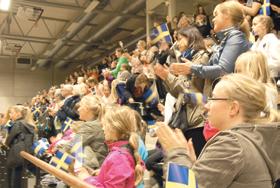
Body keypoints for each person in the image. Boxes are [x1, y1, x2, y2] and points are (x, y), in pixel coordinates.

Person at [156, 73, 280, 188]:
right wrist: (192, 165)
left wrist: (175, 152)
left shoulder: (232, 145)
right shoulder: (246, 141)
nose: (207, 105)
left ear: (233, 108)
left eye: (213, 99)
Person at [169, 1, 250, 82]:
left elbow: (223, 71)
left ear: (227, 15)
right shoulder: (224, 39)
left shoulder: (236, 37)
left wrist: (192, 68)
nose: (213, 19)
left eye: (216, 15)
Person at [76, 106, 144, 188]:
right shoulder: (121, 152)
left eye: (105, 125)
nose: (103, 128)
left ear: (115, 128)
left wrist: (86, 178)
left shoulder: (119, 157)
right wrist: (99, 174)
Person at [5, 105, 36, 188]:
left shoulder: (18, 124)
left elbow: (9, 139)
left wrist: (5, 143)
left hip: (16, 154)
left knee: (14, 180)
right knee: (18, 179)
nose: (10, 115)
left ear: (18, 113)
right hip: (24, 153)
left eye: (11, 113)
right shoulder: (27, 123)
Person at [76, 95, 108, 169]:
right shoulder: (99, 122)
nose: (78, 109)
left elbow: (71, 146)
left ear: (87, 109)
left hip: (93, 170)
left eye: (80, 106)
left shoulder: (89, 126)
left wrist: (56, 148)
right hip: (101, 166)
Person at [251, 15, 280, 79]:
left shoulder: (273, 41)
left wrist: (259, 64)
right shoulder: (256, 43)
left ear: (264, 26)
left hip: (271, 77)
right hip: (257, 76)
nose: (252, 27)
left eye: (255, 24)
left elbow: (278, 62)